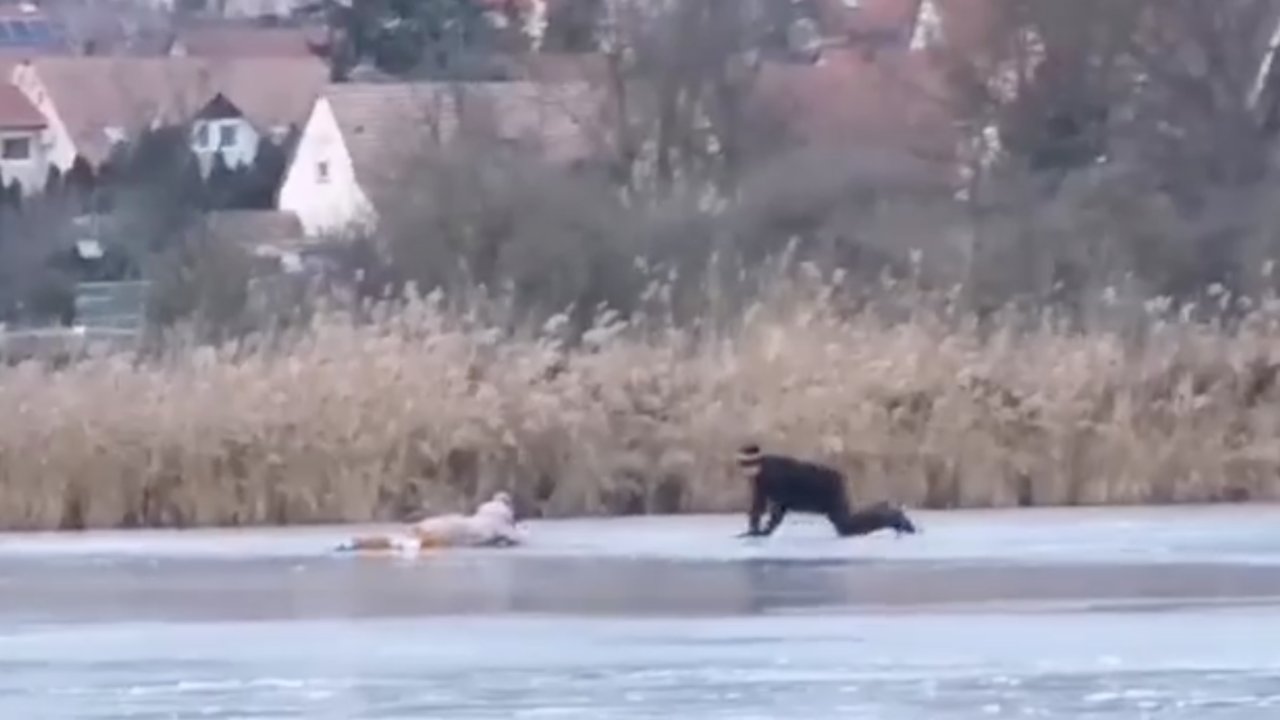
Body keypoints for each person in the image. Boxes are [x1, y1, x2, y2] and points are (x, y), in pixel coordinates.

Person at [734, 444, 919, 538]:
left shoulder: (774, 474)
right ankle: (882, 508)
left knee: (846, 527)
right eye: (742, 465)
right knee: (846, 524)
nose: (744, 470)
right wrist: (754, 528)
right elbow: (758, 502)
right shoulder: (762, 473)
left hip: (827, 487)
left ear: (756, 463)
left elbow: (780, 505)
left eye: (747, 465)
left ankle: (891, 517)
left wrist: (766, 531)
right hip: (815, 490)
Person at [336, 491, 525, 554]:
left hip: (444, 523)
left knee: (403, 539)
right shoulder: (498, 522)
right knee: (411, 545)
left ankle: (358, 542)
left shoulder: (480, 515)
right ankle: (360, 544)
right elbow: (513, 538)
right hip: (451, 532)